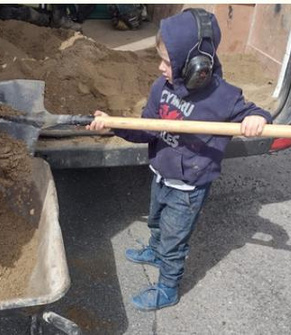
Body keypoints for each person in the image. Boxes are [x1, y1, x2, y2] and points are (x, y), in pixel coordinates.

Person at [86, 8, 272, 311]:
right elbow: (145, 131)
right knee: (156, 220)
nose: (160, 67)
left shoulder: (224, 97)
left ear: (197, 66)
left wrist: (256, 120)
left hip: (189, 187)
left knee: (175, 240)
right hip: (161, 171)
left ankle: (168, 288)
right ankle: (155, 250)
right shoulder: (161, 88)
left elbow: (260, 115)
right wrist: (114, 124)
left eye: (168, 62)